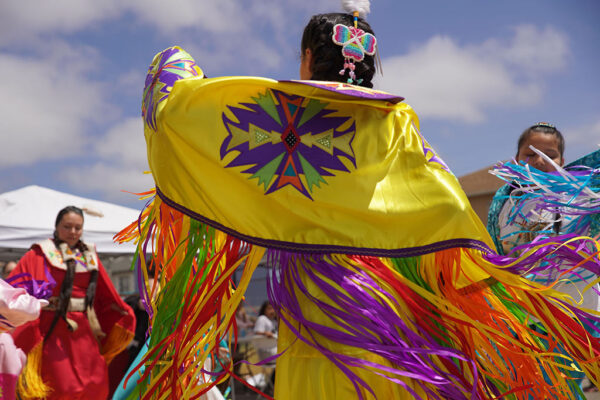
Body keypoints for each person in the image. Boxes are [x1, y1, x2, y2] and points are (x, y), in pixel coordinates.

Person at [116, 3, 600, 399]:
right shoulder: (393, 126)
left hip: (316, 304)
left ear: (307, 57)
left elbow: (170, 101)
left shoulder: (268, 118)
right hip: (388, 309)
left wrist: (175, 58)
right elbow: (447, 208)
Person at [487, 123, 600, 397]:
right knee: (541, 385)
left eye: (549, 153)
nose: (539, 159)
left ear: (562, 161)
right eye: (530, 153)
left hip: (577, 309)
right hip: (529, 313)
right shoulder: (503, 204)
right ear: (516, 160)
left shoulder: (581, 197)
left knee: (564, 382)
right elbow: (496, 253)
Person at [7, 206, 135, 400]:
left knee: (95, 381)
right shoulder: (40, 253)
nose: (73, 232)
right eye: (67, 226)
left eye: (78, 227)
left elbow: (105, 293)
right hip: (51, 329)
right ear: (57, 227)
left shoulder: (88, 254)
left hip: (82, 330)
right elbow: (16, 286)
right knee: (61, 384)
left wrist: (124, 314)